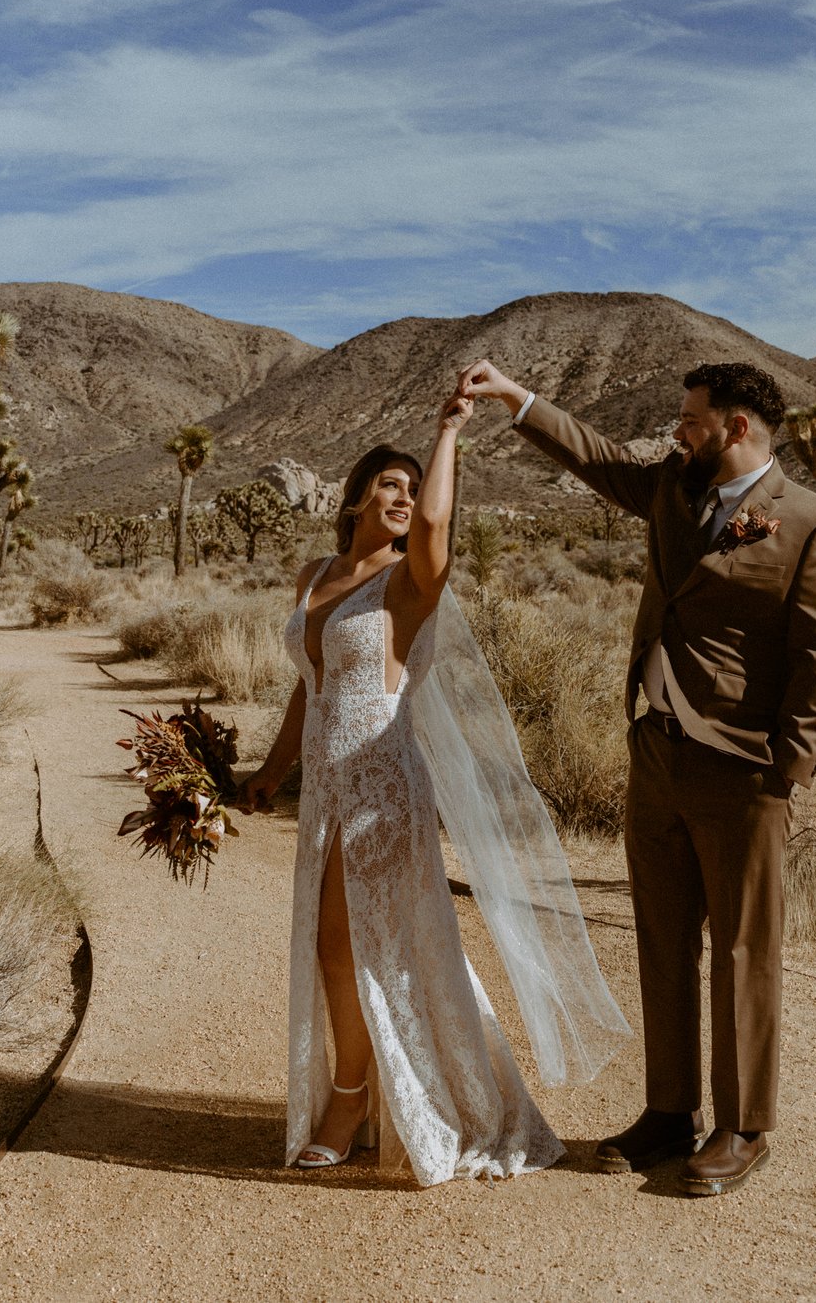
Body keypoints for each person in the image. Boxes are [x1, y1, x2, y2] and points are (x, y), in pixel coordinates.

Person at [455, 358, 816, 1198]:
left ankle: (743, 1127)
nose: (679, 430)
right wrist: (513, 398)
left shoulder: (815, 526)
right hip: (657, 755)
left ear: (736, 427)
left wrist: (786, 770)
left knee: (745, 949)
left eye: (691, 418)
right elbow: (594, 456)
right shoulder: (672, 489)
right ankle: (668, 1112)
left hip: (744, 770)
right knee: (663, 940)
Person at [237, 394, 628, 1184]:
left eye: (412, 489)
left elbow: (436, 531)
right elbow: (309, 687)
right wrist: (271, 773)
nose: (404, 498)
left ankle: (352, 1102)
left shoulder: (408, 582)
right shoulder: (314, 575)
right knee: (351, 945)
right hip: (325, 792)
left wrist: (448, 433)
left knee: (350, 942)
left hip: (383, 784)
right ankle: (381, 1086)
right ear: (354, 497)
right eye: (389, 483)